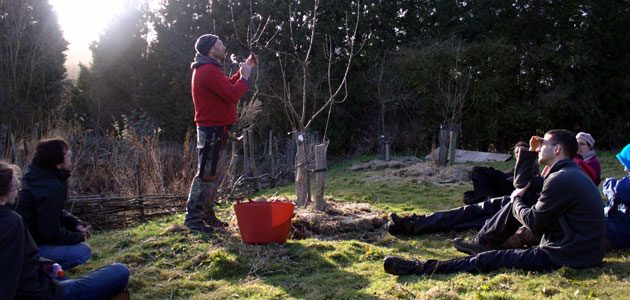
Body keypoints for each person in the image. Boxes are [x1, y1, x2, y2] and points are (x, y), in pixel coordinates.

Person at [384, 129, 605, 275]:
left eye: (543, 143)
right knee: (496, 206)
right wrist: (528, 153)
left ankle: (421, 268)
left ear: (557, 149)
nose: (539, 145)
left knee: (492, 260)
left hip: (568, 253)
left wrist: (516, 201)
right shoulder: (565, 173)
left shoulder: (561, 179)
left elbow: (534, 220)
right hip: (577, 248)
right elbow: (523, 184)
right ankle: (473, 238)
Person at [0, 161, 130, 299]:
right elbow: (7, 277)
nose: (19, 192)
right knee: (120, 271)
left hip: (42, 280)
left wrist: (45, 264)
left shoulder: (12, 215)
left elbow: (20, 258)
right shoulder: (10, 222)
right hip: (42, 294)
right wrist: (79, 237)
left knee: (65, 277)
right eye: (15, 189)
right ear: (2, 196)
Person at [184, 33, 257, 233]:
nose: (224, 46)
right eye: (220, 44)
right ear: (211, 50)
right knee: (205, 175)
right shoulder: (207, 70)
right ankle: (192, 219)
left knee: (212, 175)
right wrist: (245, 77)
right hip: (211, 130)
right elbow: (233, 95)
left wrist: (246, 69)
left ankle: (206, 214)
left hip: (217, 129)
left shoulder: (210, 69)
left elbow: (226, 88)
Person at [15, 138, 92, 270]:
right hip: (31, 248)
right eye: (67, 153)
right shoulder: (51, 187)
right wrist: (78, 236)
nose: (70, 156)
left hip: (22, 243)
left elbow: (49, 211)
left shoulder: (33, 175)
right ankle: (43, 273)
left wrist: (75, 223)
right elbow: (50, 233)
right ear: (57, 161)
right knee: (83, 252)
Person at [462, 142, 529, 205]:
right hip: (501, 187)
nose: (520, 154)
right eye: (517, 152)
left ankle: (486, 201)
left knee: (478, 170)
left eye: (522, 151)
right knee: (467, 196)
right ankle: (486, 200)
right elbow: (508, 173)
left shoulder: (530, 166)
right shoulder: (516, 167)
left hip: (510, 187)